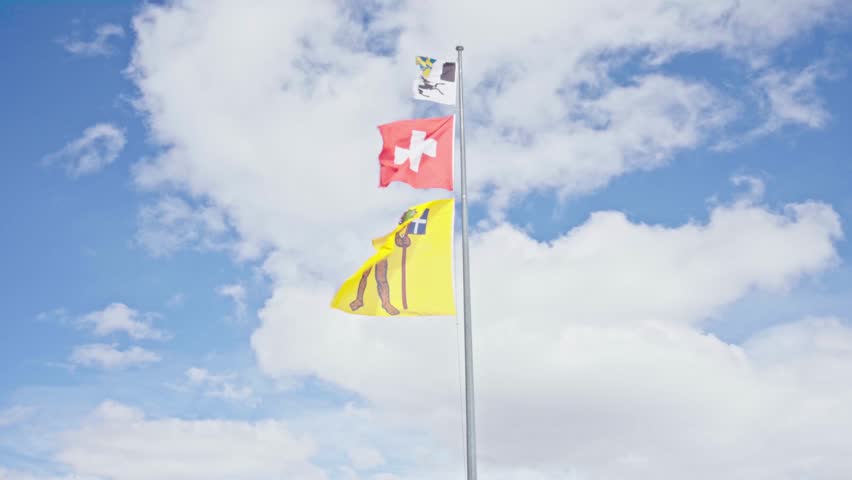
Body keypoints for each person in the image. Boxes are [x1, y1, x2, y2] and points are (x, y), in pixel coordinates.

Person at [349, 210, 415, 315]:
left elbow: (398, 241)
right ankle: (359, 300)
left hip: (382, 253)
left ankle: (386, 303)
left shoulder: (394, 225)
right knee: (364, 276)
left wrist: (405, 241)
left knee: (382, 280)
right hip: (368, 251)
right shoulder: (371, 220)